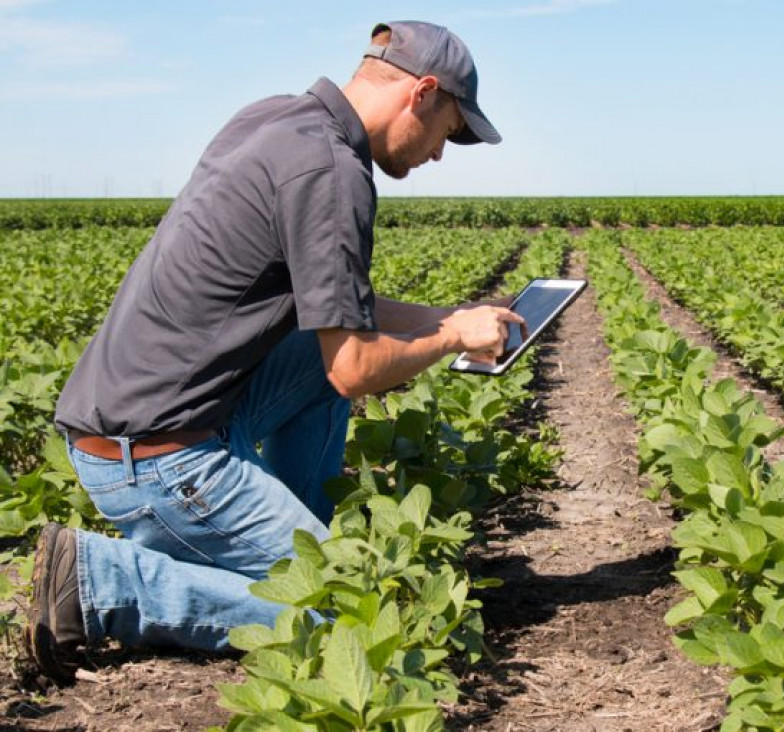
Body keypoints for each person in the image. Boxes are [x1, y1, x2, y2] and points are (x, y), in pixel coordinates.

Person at [25, 20, 524, 685]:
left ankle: (291, 540)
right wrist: (453, 338)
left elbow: (343, 313)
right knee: (353, 618)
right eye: (450, 130)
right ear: (423, 93)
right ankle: (103, 581)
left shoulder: (274, 122)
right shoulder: (332, 172)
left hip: (137, 422)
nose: (440, 153)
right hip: (156, 460)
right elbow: (353, 369)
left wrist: (449, 316)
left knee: (314, 358)